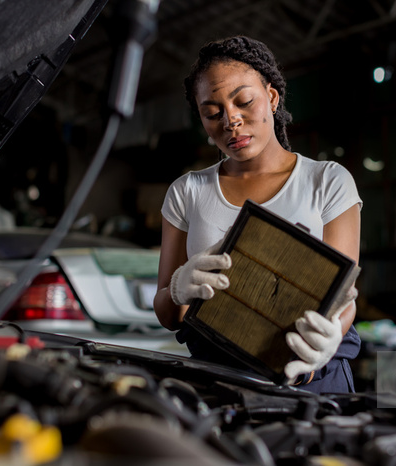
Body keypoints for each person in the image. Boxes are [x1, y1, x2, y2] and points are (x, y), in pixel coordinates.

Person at [153, 36, 362, 394]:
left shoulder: (326, 181)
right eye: (212, 112)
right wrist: (177, 287)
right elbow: (168, 314)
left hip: (310, 379)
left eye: (244, 101)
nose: (231, 120)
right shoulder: (187, 192)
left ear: (272, 97)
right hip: (218, 380)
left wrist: (326, 341)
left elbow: (342, 295)